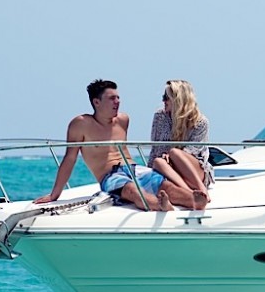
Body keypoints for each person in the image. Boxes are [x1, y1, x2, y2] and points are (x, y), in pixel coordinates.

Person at [34, 79, 207, 211]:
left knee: (165, 185)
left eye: (118, 98)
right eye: (111, 99)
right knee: (132, 191)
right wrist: (55, 194)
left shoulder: (123, 120)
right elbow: (70, 158)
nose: (117, 102)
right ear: (96, 102)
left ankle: (195, 200)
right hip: (110, 176)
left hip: (134, 168)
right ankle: (160, 205)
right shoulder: (80, 124)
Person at [148, 79, 213, 201]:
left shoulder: (200, 122)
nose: (163, 100)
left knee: (175, 153)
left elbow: (193, 151)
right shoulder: (159, 117)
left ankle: (202, 190)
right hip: (170, 170)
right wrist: (148, 174)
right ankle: (191, 194)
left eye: (166, 97)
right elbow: (155, 148)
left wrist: (170, 156)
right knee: (157, 161)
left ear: (178, 99)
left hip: (195, 174)